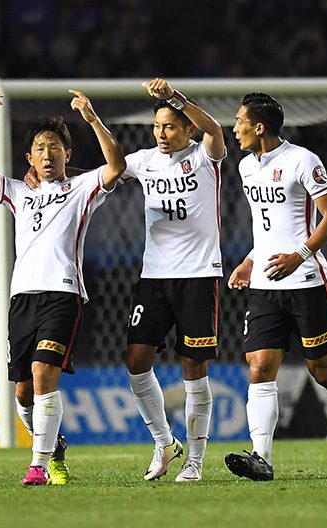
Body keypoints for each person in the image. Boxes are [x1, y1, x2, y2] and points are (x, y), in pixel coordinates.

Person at [0, 86, 125, 486]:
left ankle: (37, 466)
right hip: (22, 300)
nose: (47, 154)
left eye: (55, 147)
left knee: (42, 374)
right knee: (22, 393)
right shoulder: (18, 193)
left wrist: (92, 119)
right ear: (29, 158)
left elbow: (116, 166)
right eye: (40, 147)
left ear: (67, 155)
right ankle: (53, 449)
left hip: (63, 294)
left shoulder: (82, 188)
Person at [225, 92, 327, 481]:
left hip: (306, 280)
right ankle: (262, 457)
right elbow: (270, 228)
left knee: (323, 371)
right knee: (258, 367)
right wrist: (250, 261)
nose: (234, 127)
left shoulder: (303, 160)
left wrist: (299, 256)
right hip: (264, 284)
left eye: (240, 120)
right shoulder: (245, 168)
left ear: (259, 127)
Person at [114, 78, 226, 483]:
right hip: (154, 277)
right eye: (157, 127)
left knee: (193, 366)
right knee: (136, 358)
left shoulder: (205, 155)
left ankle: (195, 460)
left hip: (198, 275)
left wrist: (175, 97)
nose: (162, 134)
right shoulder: (142, 160)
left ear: (187, 130)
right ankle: (164, 442)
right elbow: (107, 173)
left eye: (170, 126)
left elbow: (216, 130)